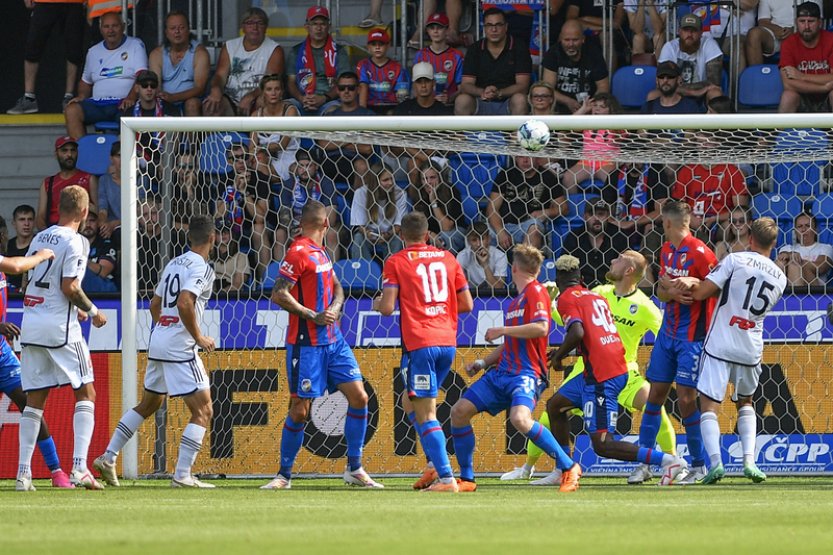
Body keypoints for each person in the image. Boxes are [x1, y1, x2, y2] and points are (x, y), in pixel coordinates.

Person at [502, 250, 677, 485]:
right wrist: (554, 303)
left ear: (629, 270)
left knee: (654, 408)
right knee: (550, 412)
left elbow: (664, 335)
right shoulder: (599, 293)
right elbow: (574, 322)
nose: (612, 260)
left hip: (624, 370)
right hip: (588, 366)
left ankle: (670, 462)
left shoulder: (644, 306)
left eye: (618, 259)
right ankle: (535, 468)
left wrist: (659, 362)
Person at [260, 200, 382, 490]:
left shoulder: (322, 253)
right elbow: (278, 294)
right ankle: (283, 475)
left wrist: (336, 306)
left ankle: (354, 468)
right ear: (326, 224)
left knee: (360, 397)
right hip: (307, 344)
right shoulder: (298, 252)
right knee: (300, 409)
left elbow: (337, 285)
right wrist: (311, 315)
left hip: (334, 340)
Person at [93, 215, 217, 488]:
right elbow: (185, 302)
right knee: (204, 410)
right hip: (180, 347)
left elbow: (154, 304)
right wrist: (198, 337)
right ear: (212, 238)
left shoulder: (175, 262)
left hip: (159, 340)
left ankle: (108, 456)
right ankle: (183, 475)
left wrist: (166, 328)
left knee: (149, 404)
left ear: (189, 238)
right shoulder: (203, 268)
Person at [448, 245, 581, 492]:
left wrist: (502, 330)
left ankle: (568, 466)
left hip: (527, 373)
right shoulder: (515, 302)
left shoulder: (537, 292)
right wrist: (483, 363)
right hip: (501, 374)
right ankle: (467, 479)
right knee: (459, 412)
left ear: (514, 268)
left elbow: (542, 328)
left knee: (520, 419)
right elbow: (511, 343)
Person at [668, 217, 786, 485]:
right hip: (750, 346)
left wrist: (688, 281)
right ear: (774, 243)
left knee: (709, 406)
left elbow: (702, 293)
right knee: (746, 402)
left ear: (750, 239)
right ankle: (750, 462)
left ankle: (716, 464)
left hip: (721, 343)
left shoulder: (735, 260)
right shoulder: (780, 277)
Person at [16, 185, 108, 491]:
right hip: (60, 329)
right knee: (87, 393)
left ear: (58, 207)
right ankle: (80, 467)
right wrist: (92, 310)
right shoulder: (79, 241)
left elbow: (27, 279)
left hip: (31, 324)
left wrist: (69, 304)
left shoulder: (40, 237)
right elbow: (70, 286)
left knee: (35, 401)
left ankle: (23, 474)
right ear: (84, 212)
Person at [374, 211, 474, 492]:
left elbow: (387, 308)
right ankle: (433, 464)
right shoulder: (448, 258)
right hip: (447, 342)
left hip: (420, 343)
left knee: (427, 414)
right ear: (428, 234)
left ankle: (446, 479)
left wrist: (378, 303)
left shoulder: (396, 261)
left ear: (401, 235)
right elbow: (466, 304)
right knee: (410, 403)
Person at [638, 200, 718, 484]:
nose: (661, 225)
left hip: (692, 337)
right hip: (667, 333)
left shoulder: (701, 252)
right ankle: (644, 462)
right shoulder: (666, 250)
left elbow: (717, 288)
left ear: (668, 223)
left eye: (662, 222)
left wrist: (695, 285)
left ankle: (698, 465)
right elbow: (660, 289)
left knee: (686, 400)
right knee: (654, 395)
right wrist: (671, 293)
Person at [0, 222, 70, 488]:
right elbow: (19, 266)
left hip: (2, 355)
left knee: (30, 404)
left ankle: (56, 472)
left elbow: (17, 267)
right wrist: (41, 255)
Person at [64, 12, 147, 138]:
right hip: (98, 105)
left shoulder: (135, 45)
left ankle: (126, 156)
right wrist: (81, 96)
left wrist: (131, 97)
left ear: (123, 27)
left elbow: (142, 75)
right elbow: (85, 82)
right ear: (100, 29)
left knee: (132, 117)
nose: (111, 30)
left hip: (123, 105)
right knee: (71, 111)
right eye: (106, 26)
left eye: (115, 26)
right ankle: (83, 155)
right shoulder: (93, 51)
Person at [7, 0, 86, 114]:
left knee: (74, 49)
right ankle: (29, 97)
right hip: (44, 2)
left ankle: (69, 97)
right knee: (32, 46)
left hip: (74, 2)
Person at [203, 8, 284, 116]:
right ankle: (216, 134)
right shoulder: (230, 46)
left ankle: (256, 133)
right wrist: (216, 89)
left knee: (264, 100)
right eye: (250, 23)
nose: (255, 28)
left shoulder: (274, 49)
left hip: (256, 97)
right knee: (211, 104)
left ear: (265, 27)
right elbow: (220, 76)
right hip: (230, 98)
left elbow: (271, 83)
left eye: (259, 23)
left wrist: (250, 96)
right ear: (243, 27)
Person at [454, 8, 532, 116]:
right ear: (484, 28)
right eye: (489, 25)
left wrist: (499, 93)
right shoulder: (475, 49)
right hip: (481, 101)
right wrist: (482, 92)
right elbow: (466, 85)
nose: (494, 29)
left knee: (520, 99)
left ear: (506, 27)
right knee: (462, 100)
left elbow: (523, 86)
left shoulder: (519, 47)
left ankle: (516, 133)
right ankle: (461, 134)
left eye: (498, 25)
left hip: (508, 101)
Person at [214, 143, 272, 280]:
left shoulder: (261, 179)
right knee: (216, 230)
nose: (240, 161)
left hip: (257, 227)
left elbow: (260, 218)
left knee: (258, 229)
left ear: (249, 159)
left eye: (244, 157)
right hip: (230, 227)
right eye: (235, 159)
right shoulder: (223, 180)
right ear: (229, 162)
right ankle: (222, 280)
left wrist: (244, 192)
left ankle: (265, 281)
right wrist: (234, 189)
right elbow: (217, 217)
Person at [487, 155, 566, 251]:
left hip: (527, 226)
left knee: (534, 228)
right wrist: (500, 231)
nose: (525, 160)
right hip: (501, 226)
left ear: (537, 158)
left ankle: (525, 264)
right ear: (515, 158)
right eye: (520, 157)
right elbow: (492, 208)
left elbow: (563, 207)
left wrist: (546, 212)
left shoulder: (548, 177)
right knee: (479, 234)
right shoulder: (506, 174)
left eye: (529, 157)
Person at [276, 149, 340, 263]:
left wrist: (309, 230)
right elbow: (283, 218)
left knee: (332, 233)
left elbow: (331, 219)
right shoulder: (288, 184)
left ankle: (331, 273)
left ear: (316, 167)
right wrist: (293, 230)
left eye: (308, 166)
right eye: (301, 166)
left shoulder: (326, 183)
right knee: (280, 234)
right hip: (295, 227)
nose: (304, 170)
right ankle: (280, 275)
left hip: (320, 228)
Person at [287, 6, 352, 116]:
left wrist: (324, 98)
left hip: (329, 101)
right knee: (285, 108)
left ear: (329, 27)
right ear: (307, 27)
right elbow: (291, 82)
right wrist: (301, 98)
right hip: (301, 100)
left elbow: (345, 83)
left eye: (322, 24)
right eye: (314, 24)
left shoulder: (339, 52)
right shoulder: (296, 51)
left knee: (336, 111)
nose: (319, 28)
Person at [148, 10, 211, 116]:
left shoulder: (200, 52)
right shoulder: (156, 54)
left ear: (188, 30)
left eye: (181, 28)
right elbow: (155, 85)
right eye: (173, 28)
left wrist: (173, 97)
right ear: (166, 32)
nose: (177, 31)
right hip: (164, 100)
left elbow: (200, 88)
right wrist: (163, 97)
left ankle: (192, 134)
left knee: (192, 104)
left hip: (191, 100)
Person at [542, 19, 610, 114]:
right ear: (560, 39)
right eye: (566, 40)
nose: (571, 44)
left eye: (575, 40)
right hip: (559, 105)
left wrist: (590, 105)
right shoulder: (553, 53)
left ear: (583, 39)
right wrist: (568, 101)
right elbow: (547, 88)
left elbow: (603, 87)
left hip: (588, 106)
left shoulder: (593, 53)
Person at [563, 92, 623, 194]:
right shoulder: (587, 122)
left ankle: (611, 207)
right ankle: (574, 208)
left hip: (608, 162)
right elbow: (567, 125)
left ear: (611, 110)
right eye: (594, 106)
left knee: (612, 179)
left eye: (602, 107)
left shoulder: (616, 124)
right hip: (586, 162)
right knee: (568, 178)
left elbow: (621, 136)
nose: (597, 109)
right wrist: (583, 109)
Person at [655, 13, 723, 103]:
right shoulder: (670, 47)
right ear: (679, 31)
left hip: (703, 94)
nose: (689, 34)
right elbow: (663, 82)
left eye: (694, 30)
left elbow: (714, 82)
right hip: (675, 93)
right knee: (653, 95)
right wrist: (692, 92)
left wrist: (684, 89)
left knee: (715, 92)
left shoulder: (709, 45)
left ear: (701, 33)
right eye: (686, 30)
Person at [778, 2, 833, 113]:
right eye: (802, 21)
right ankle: (781, 131)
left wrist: (801, 76)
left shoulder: (831, 40)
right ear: (796, 22)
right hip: (802, 96)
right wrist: (823, 87)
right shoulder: (789, 43)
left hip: (827, 96)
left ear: (820, 22)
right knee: (788, 96)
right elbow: (788, 83)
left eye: (811, 21)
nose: (806, 26)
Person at [562, 200, 629, 288]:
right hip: (582, 291)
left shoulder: (619, 236)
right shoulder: (574, 237)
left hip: (612, 290)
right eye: (592, 214)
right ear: (585, 216)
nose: (596, 218)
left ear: (608, 216)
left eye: (600, 214)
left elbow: (628, 266)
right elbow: (565, 267)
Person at [36, 136, 98, 231]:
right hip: (53, 230)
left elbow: (98, 212)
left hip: (80, 230)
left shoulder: (88, 178)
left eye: (73, 150)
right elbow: (40, 217)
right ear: (56, 154)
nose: (69, 154)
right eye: (64, 151)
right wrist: (49, 235)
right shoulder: (48, 182)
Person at [250, 74, 301, 184]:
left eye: (277, 89)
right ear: (263, 92)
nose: (273, 93)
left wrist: (261, 148)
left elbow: (282, 145)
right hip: (264, 160)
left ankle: (264, 197)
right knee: (259, 160)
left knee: (259, 165)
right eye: (269, 89)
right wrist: (260, 151)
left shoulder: (290, 111)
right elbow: (251, 148)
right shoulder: (256, 115)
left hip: (288, 158)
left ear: (282, 92)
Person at [350, 167, 407, 261]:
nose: (390, 183)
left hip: (390, 233)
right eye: (385, 180)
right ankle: (364, 272)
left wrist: (388, 234)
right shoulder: (361, 193)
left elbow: (399, 224)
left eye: (392, 178)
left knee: (398, 239)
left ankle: (391, 271)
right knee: (358, 239)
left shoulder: (400, 193)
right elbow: (359, 224)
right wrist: (367, 233)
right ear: (375, 182)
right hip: (369, 233)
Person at [408, 159, 465, 253]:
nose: (428, 182)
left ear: (440, 177)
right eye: (424, 179)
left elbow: (446, 227)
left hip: (454, 231)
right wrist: (429, 234)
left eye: (432, 177)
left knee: (446, 238)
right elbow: (417, 225)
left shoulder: (451, 191)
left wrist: (433, 201)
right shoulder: (418, 194)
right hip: (428, 234)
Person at [413, 13, 464, 105]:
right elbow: (415, 86)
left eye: (439, 27)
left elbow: (462, 87)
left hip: (449, 105)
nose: (435, 31)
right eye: (432, 28)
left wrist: (449, 98)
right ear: (427, 31)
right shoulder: (420, 55)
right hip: (425, 104)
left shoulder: (457, 55)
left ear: (447, 30)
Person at [357, 28, 410, 113]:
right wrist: (362, 113)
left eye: (381, 44)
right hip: (370, 106)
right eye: (374, 44)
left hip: (391, 106)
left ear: (388, 45)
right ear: (368, 47)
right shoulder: (363, 65)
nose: (377, 47)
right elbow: (363, 88)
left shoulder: (397, 67)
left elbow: (401, 94)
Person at [776, 212, 833, 286]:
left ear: (816, 230)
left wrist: (796, 260)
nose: (803, 229)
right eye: (799, 226)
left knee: (794, 263)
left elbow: (820, 268)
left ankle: (796, 296)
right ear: (795, 231)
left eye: (807, 226)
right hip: (789, 287)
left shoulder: (825, 248)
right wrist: (790, 254)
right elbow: (778, 266)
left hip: (816, 292)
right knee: (781, 263)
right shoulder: (787, 248)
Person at [746, 0, 804, 67]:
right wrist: (777, 30)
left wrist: (794, 29)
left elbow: (816, 19)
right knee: (754, 34)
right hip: (776, 33)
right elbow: (763, 21)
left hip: (802, 32)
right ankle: (757, 76)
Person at [456, 221, 508, 291]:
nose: (478, 244)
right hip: (472, 296)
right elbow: (460, 287)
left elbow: (498, 288)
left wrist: (485, 264)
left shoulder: (500, 256)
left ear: (489, 239)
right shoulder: (462, 256)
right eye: (474, 240)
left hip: (494, 297)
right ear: (468, 242)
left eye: (482, 239)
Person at [640, 61, 705, 114]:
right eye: (661, 77)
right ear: (657, 81)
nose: (665, 80)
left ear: (679, 80)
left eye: (670, 76)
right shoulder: (648, 108)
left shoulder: (690, 107)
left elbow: (691, 130)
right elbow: (641, 130)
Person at [80, 206, 119, 293]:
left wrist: (82, 260)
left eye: (92, 220)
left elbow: (104, 271)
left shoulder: (106, 243)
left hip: (105, 291)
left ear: (98, 223)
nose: (88, 225)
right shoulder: (74, 242)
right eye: (85, 221)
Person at [5, 205, 37, 291]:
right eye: (22, 219)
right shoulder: (8, 245)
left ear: (34, 222)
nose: (26, 224)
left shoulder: (39, 245)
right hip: (10, 295)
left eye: (30, 219)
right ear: (14, 223)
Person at [214, 226, 251, 293]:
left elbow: (237, 284)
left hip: (230, 295)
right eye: (219, 232)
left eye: (227, 231)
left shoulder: (241, 256)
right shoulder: (208, 256)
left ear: (232, 234)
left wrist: (219, 294)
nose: (223, 234)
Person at [97, 141, 122, 237]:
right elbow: (103, 208)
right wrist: (103, 223)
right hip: (111, 228)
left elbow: (139, 212)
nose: (122, 159)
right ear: (111, 158)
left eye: (126, 154)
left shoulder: (141, 179)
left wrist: (115, 224)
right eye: (118, 156)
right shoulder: (104, 180)